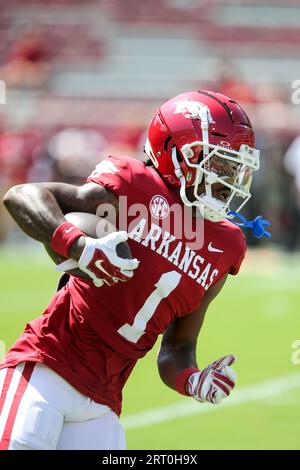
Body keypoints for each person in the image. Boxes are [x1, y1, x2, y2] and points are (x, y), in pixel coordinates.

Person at [0, 90, 260, 450]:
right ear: (175, 154)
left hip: (104, 403)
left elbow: (178, 347)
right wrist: (77, 245)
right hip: (46, 367)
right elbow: (21, 195)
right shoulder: (132, 185)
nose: (227, 179)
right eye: (219, 165)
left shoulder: (227, 245)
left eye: (235, 168)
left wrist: (192, 379)